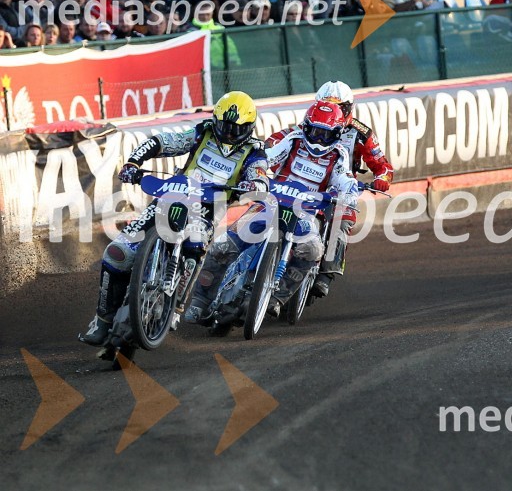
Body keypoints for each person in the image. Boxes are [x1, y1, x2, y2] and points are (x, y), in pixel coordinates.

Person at [79, 91, 269, 346]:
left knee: (196, 247)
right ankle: (101, 322)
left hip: (207, 210)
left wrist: (253, 184)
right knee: (117, 253)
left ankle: (177, 307)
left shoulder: (254, 153)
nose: (230, 133)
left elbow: (261, 177)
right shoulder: (202, 133)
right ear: (216, 120)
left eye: (237, 128)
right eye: (225, 125)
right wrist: (134, 163)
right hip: (170, 198)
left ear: (249, 128)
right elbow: (164, 141)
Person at [186, 100, 359, 329]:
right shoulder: (293, 140)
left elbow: (345, 178)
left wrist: (350, 193)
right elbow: (268, 156)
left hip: (305, 213)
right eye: (314, 131)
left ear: (337, 135)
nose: (318, 139)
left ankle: (278, 297)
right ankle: (200, 300)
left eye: (325, 134)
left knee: (313, 250)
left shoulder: (339, 155)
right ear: (306, 126)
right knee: (222, 246)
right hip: (269, 204)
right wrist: (256, 172)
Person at [310, 80, 393, 296]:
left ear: (349, 108)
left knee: (342, 220)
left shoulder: (361, 132)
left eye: (340, 107)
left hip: (342, 189)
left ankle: (326, 274)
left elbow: (382, 164)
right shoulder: (309, 124)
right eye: (327, 105)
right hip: (308, 182)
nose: (333, 111)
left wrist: (382, 177)